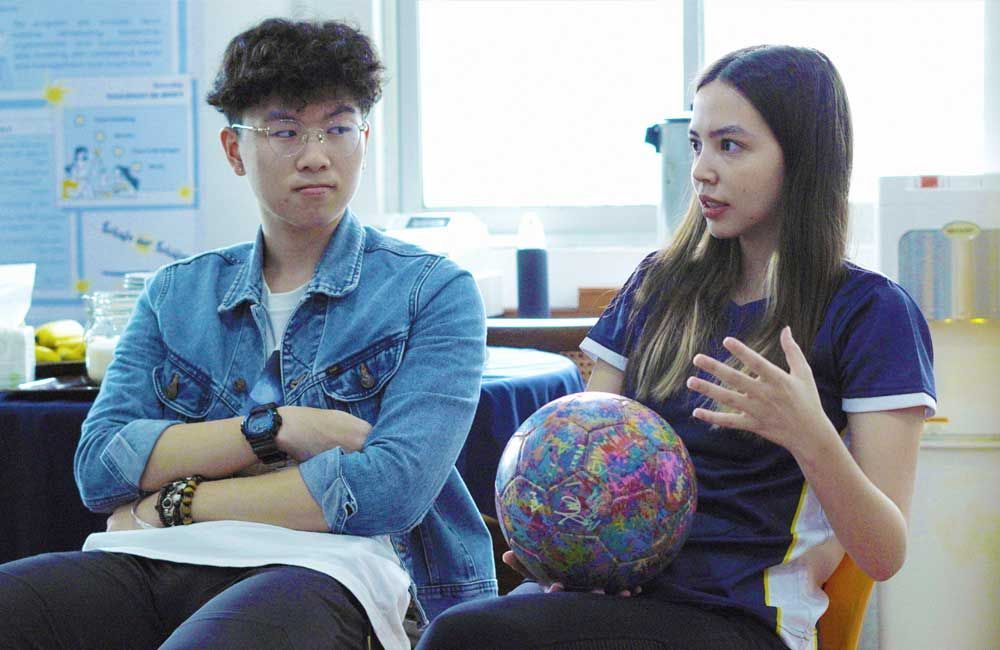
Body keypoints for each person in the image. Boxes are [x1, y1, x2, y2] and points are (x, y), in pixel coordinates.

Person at [417, 45, 935, 650]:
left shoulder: (872, 313)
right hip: (607, 597)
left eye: (730, 145)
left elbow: (883, 554)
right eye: (696, 144)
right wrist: (558, 547)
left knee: (467, 637)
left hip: (741, 620)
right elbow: (584, 451)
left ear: (803, 158)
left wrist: (808, 434)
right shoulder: (655, 286)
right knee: (465, 631)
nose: (701, 170)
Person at [0, 18, 496, 650]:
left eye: (338, 128)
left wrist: (174, 502)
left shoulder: (432, 290)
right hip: (162, 560)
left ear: (364, 138)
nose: (316, 154)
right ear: (235, 149)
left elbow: (387, 493)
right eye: (285, 131)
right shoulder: (176, 293)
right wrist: (274, 429)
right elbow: (100, 469)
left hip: (342, 571)